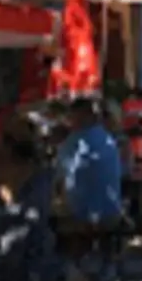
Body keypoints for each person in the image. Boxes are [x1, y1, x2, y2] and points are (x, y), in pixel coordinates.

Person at [0, 136, 84, 281]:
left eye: (2, 161)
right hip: (4, 268)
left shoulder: (36, 190)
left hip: (35, 264)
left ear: (22, 166)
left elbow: (30, 229)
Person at [55, 97, 124, 227]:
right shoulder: (109, 140)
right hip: (112, 212)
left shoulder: (71, 143)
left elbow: (59, 180)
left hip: (81, 216)